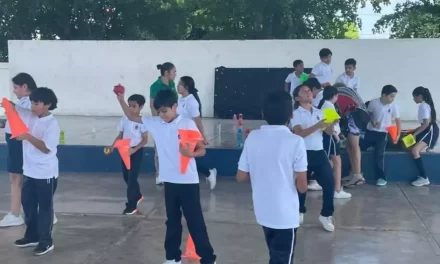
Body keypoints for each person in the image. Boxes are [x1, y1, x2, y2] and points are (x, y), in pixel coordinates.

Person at [116, 89, 217, 264]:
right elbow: (131, 117)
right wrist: (120, 99)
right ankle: (172, 257)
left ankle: (208, 259)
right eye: (159, 112)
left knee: (195, 222)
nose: (162, 115)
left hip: (188, 181)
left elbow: (202, 149)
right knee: (172, 221)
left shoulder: (186, 123)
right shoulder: (155, 123)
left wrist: (190, 154)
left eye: (165, 111)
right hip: (170, 181)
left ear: (175, 106)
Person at [237, 90, 308, 264]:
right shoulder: (296, 141)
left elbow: (241, 176)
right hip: (285, 215)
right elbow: (302, 187)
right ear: (291, 114)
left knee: (275, 255)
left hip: (263, 211)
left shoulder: (252, 137)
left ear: (263, 113)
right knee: (283, 259)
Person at [13, 87, 60, 256]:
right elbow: (14, 108)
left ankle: (46, 241)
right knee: (29, 206)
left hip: (45, 173)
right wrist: (6, 104)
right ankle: (32, 235)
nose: (33, 106)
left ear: (47, 105)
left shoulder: (52, 125)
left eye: (37, 103)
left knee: (45, 208)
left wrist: (27, 137)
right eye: (32, 102)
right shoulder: (30, 115)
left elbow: (46, 149)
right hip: (29, 171)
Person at [290, 84, 337, 232]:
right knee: (301, 185)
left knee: (329, 184)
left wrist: (331, 124)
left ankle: (326, 215)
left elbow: (328, 132)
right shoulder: (295, 113)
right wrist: (318, 125)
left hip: (319, 152)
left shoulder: (320, 112)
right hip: (302, 153)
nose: (308, 92)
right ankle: (299, 211)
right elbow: (299, 133)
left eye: (309, 90)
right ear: (297, 98)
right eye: (303, 91)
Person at [0, 73, 37, 228]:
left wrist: (12, 107)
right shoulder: (23, 102)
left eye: (16, 87)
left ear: (24, 86)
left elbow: (29, 112)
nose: (14, 90)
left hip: (19, 142)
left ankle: (15, 214)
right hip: (14, 140)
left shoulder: (30, 102)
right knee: (19, 178)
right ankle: (42, 211)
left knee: (17, 178)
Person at [109, 94, 149, 215]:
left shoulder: (142, 122)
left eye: (134, 106)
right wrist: (113, 146)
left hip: (136, 151)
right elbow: (120, 135)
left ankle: (132, 205)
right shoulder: (124, 119)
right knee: (126, 176)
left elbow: (145, 140)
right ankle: (137, 195)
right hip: (124, 150)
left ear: (141, 107)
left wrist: (134, 149)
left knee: (132, 178)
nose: (131, 108)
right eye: (129, 105)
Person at [177, 76, 217, 190]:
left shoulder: (192, 102)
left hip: (190, 134)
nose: (177, 86)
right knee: (184, 158)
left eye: (179, 84)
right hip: (180, 133)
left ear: (186, 87)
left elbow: (198, 121)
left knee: (186, 157)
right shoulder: (180, 99)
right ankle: (208, 173)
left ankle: (208, 173)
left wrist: (203, 136)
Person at [359, 85, 401, 187]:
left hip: (383, 133)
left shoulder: (393, 106)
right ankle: (356, 173)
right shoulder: (373, 103)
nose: (392, 99)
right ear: (384, 95)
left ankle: (381, 177)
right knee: (357, 147)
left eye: (394, 97)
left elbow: (398, 121)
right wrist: (372, 121)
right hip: (370, 131)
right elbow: (368, 115)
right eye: (391, 96)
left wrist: (398, 135)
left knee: (379, 155)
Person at [318, 86, 351, 199]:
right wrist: (336, 136)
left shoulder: (326, 105)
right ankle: (337, 189)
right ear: (335, 96)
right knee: (336, 162)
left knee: (332, 162)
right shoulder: (328, 106)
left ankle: (333, 187)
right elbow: (330, 124)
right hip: (331, 137)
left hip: (328, 137)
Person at [150, 62, 178, 185]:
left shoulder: (172, 84)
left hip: (173, 121)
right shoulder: (155, 86)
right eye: (174, 72)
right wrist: (158, 120)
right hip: (161, 120)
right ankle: (159, 174)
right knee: (159, 149)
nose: (175, 74)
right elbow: (152, 105)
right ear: (166, 73)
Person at [409, 87, 438, 187]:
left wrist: (415, 134)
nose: (413, 99)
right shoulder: (424, 105)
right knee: (408, 143)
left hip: (430, 130)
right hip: (427, 129)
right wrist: (413, 131)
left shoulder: (423, 106)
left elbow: (426, 124)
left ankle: (424, 177)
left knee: (415, 150)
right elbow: (424, 124)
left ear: (419, 96)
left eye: (414, 97)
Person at [302, 77, 323, 191]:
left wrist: (333, 129)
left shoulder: (321, 100)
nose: (307, 94)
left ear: (313, 89)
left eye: (308, 91)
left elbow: (330, 119)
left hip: (323, 136)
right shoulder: (321, 99)